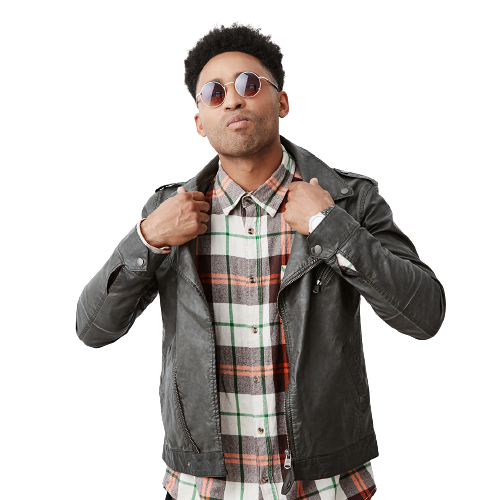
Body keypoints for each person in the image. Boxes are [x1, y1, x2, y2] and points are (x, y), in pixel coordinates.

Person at [76, 22, 445, 500]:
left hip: (327, 484)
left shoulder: (349, 200)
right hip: (203, 487)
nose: (232, 100)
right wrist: (146, 239)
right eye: (214, 93)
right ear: (199, 122)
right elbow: (93, 328)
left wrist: (329, 226)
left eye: (249, 84)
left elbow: (424, 316)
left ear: (282, 102)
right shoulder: (168, 212)